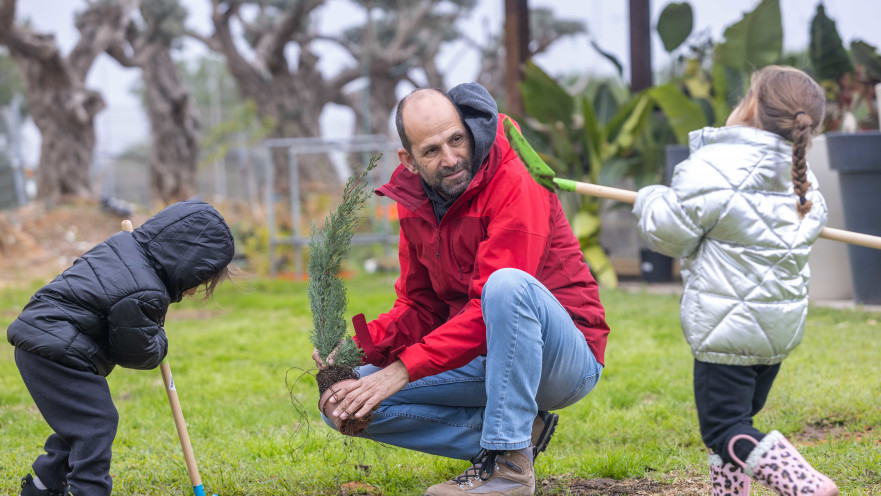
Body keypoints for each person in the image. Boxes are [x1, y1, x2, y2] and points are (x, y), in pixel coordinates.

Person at [314, 82, 610, 496]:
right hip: (484, 356)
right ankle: (517, 435)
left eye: (456, 140)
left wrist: (402, 370)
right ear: (409, 160)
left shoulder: (515, 179)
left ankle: (509, 467)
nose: (451, 159)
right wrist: (358, 349)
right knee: (344, 402)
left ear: (470, 131)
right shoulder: (415, 200)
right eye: (431, 150)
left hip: (562, 359)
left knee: (506, 285)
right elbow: (421, 305)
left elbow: (494, 306)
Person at [632, 65, 838, 496]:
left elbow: (669, 234)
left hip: (727, 331)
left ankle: (804, 483)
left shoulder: (714, 165)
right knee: (736, 427)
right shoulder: (803, 180)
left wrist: (650, 199)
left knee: (723, 428)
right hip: (775, 334)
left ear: (750, 106)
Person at [8, 200, 236, 496]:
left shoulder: (122, 248)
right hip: (55, 350)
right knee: (96, 423)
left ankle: (43, 487)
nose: (196, 289)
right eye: (201, 279)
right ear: (188, 264)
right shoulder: (145, 289)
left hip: (44, 340)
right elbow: (135, 352)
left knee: (79, 425)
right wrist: (159, 341)